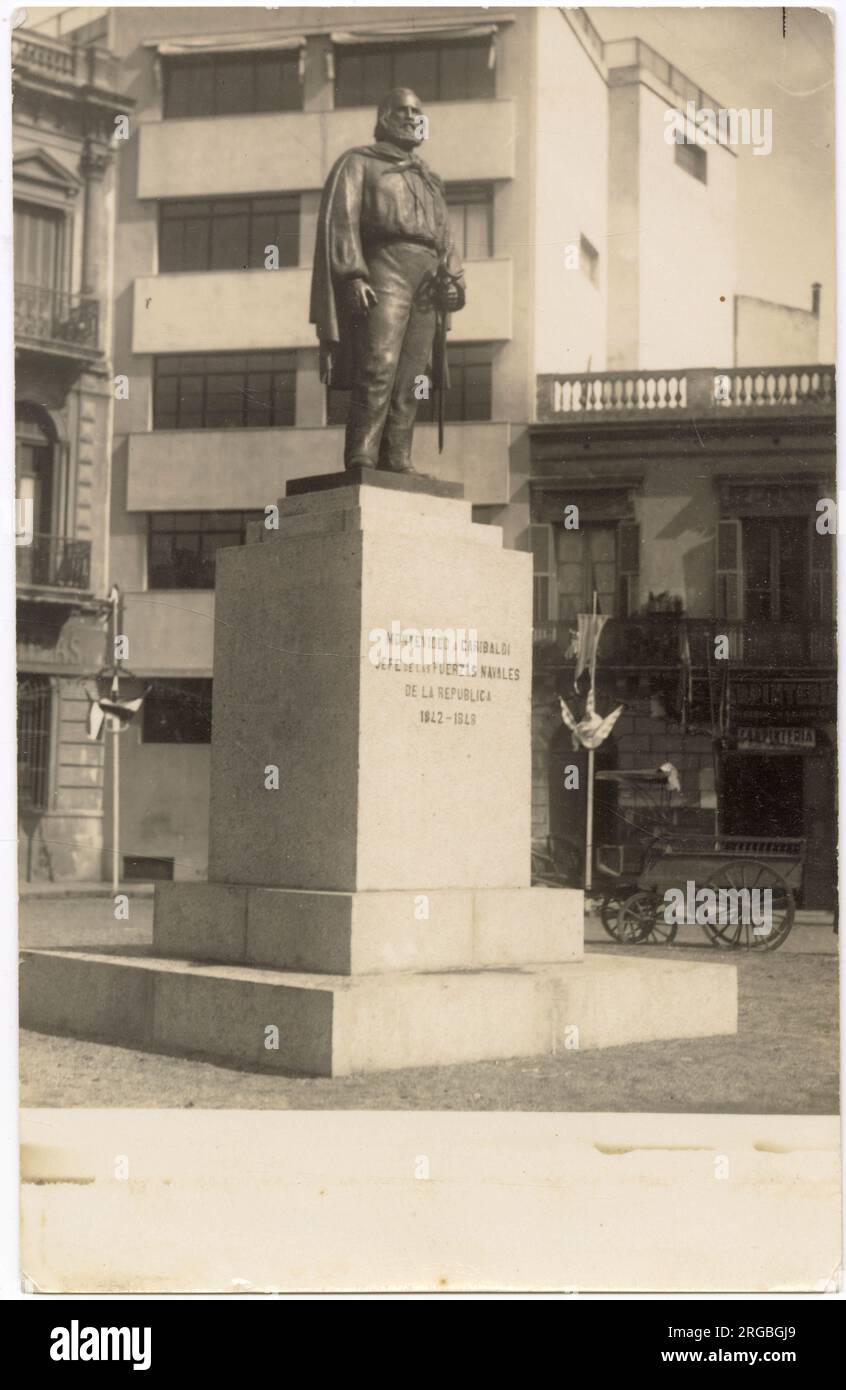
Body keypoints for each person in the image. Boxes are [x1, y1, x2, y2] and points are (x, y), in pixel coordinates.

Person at [310, 86, 466, 474]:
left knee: (413, 373)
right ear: (383, 119)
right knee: (379, 362)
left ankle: (397, 455)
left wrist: (455, 282)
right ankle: (362, 453)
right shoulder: (359, 163)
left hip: (428, 276)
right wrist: (351, 276)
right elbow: (342, 222)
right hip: (385, 265)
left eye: (418, 111)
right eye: (403, 110)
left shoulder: (431, 180)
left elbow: (445, 236)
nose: (413, 117)